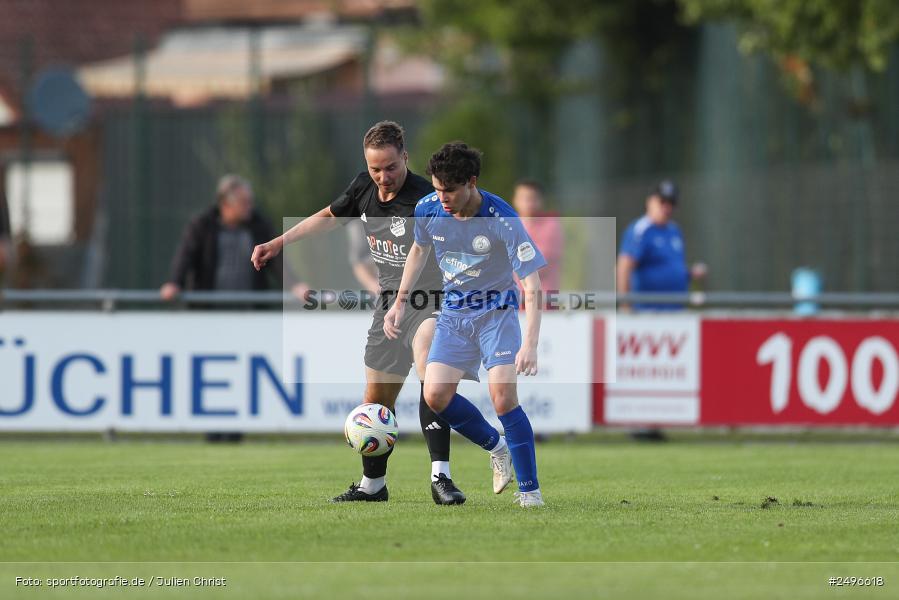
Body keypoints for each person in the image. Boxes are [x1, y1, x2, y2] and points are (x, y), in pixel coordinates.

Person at [251, 121, 467, 505]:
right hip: (387, 305)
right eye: (375, 169)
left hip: (431, 301)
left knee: (428, 369)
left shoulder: (427, 199)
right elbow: (330, 217)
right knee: (375, 404)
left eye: (391, 168)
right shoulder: (363, 188)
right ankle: (373, 486)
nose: (383, 177)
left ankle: (441, 478)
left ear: (405, 157)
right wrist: (279, 242)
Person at [384, 142, 547, 508]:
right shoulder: (428, 208)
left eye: (450, 190)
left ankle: (530, 493)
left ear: (471, 182)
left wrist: (531, 344)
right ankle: (497, 447)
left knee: (503, 398)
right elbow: (418, 250)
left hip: (496, 315)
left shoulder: (501, 218)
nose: (442, 197)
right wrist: (399, 302)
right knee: (435, 396)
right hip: (455, 316)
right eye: (438, 188)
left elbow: (532, 284)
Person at [160, 174, 307, 302]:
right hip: (209, 315)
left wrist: (294, 285)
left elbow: (276, 259)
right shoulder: (202, 226)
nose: (249, 206)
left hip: (251, 314)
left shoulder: (259, 225)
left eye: (250, 201)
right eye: (244, 202)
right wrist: (175, 283)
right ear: (225, 204)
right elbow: (186, 256)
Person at [616, 180, 706, 311]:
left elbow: (669, 267)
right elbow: (624, 267)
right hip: (647, 312)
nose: (667, 207)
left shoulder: (675, 231)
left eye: (671, 203)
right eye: (662, 201)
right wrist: (625, 305)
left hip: (675, 310)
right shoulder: (641, 230)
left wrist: (689, 274)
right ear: (650, 202)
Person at [511, 179, 563, 296]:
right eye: (524, 198)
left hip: (543, 301)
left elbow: (538, 265)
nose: (528, 203)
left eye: (533, 198)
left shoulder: (551, 226)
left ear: (541, 201)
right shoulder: (510, 225)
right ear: (515, 200)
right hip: (515, 301)